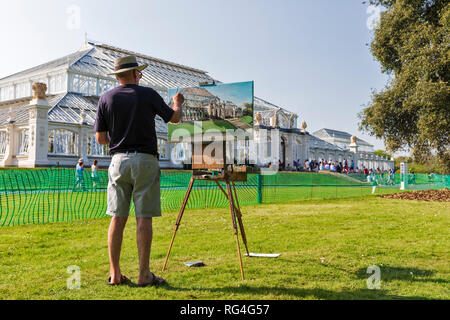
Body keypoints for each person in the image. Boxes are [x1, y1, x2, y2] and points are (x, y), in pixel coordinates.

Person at [95, 55, 184, 287]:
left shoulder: (105, 98)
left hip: (118, 161)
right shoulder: (148, 94)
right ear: (135, 73)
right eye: (139, 72)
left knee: (117, 217)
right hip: (145, 160)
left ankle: (115, 274)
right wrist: (178, 102)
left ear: (117, 76)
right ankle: (144, 275)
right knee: (143, 218)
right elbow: (174, 119)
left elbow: (101, 139)